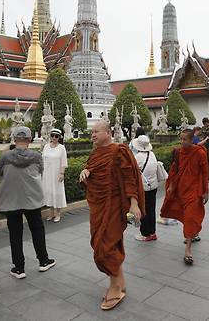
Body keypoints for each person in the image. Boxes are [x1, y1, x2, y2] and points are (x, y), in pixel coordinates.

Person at [79, 120, 145, 311]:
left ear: (108, 133)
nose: (92, 135)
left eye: (96, 131)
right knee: (105, 242)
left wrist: (134, 203)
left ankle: (114, 287)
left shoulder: (119, 151)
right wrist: (86, 171)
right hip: (98, 206)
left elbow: (130, 178)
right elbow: (92, 170)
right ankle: (120, 282)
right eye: (92, 132)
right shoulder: (95, 153)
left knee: (105, 248)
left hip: (115, 204)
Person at [0, 126, 55, 279]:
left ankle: (19, 268)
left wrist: (5, 152)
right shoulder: (37, 156)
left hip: (11, 201)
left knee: (15, 234)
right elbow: (40, 172)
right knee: (37, 230)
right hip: (32, 200)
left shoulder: (5, 157)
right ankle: (43, 261)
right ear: (29, 140)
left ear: (14, 140)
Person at [160, 129, 209, 265]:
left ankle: (188, 250)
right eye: (180, 139)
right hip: (181, 189)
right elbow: (174, 171)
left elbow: (205, 173)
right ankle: (192, 234)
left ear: (191, 140)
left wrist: (205, 191)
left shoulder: (199, 153)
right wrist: (170, 186)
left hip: (194, 191)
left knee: (190, 217)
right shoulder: (178, 152)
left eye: (184, 139)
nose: (182, 142)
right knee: (188, 218)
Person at [133, 135, 161, 242]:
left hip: (143, 188)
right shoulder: (152, 154)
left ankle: (145, 234)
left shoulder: (138, 157)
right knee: (151, 210)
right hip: (153, 186)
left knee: (144, 211)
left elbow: (133, 172)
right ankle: (152, 232)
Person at [42, 128, 67, 222]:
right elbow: (43, 159)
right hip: (47, 174)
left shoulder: (61, 148)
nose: (54, 138)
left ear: (59, 137)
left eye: (56, 136)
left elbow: (63, 162)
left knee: (57, 192)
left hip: (57, 174)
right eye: (52, 135)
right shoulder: (46, 146)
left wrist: (62, 173)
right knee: (49, 192)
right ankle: (51, 213)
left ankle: (58, 214)